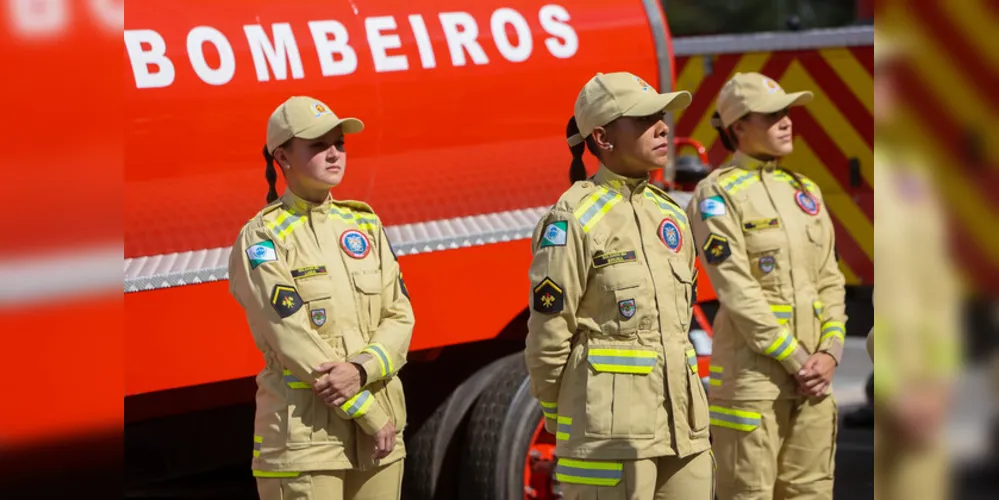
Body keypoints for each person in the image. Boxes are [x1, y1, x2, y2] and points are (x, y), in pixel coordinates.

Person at [524, 72, 713, 500]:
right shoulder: (572, 218)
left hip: (685, 432)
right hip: (608, 436)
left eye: (662, 115)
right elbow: (549, 334)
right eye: (645, 118)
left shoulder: (671, 215)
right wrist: (566, 417)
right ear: (603, 138)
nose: (663, 126)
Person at [227, 96, 414, 500]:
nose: (334, 154)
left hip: (379, 443)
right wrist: (367, 411)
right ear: (283, 157)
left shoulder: (364, 223)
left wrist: (362, 370)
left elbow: (400, 316)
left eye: (339, 144)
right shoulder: (262, 237)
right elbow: (290, 337)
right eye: (317, 145)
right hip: (305, 440)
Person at [685, 72, 846, 500]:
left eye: (787, 112)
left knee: (810, 492)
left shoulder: (804, 191)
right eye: (772, 115)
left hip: (814, 378)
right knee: (748, 494)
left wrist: (830, 352)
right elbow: (736, 290)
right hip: (753, 383)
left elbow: (829, 279)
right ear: (738, 127)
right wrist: (798, 359)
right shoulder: (716, 195)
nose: (786, 121)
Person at [870, 31, 962, 500]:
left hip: (924, 388)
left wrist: (939, 382)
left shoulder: (910, 177)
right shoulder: (873, 182)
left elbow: (937, 289)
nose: (888, 91)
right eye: (878, 79)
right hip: (897, 390)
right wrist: (895, 390)